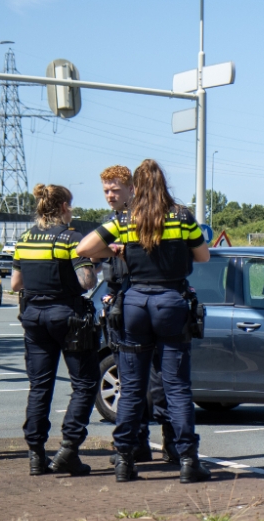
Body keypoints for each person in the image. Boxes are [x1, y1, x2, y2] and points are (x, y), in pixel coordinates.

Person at [77, 159, 211, 483]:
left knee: (132, 388)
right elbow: (203, 256)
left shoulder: (126, 219)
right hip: (171, 301)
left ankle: (124, 460)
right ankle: (188, 461)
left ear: (136, 187)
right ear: (163, 183)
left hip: (135, 302)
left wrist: (121, 251)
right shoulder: (182, 216)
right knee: (177, 387)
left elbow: (84, 247)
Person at [11, 184, 99, 476]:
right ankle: (69, 449)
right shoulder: (71, 239)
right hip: (67, 317)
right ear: (64, 207)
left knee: (40, 386)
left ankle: (36, 455)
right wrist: (94, 264)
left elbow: (15, 285)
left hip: (33, 316)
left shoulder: (24, 239)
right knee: (85, 382)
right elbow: (86, 282)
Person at [96, 165, 178, 466]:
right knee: (130, 381)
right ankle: (137, 445)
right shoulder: (112, 222)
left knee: (160, 381)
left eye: (115, 190)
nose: (110, 196)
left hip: (144, 303)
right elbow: (88, 252)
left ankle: (172, 443)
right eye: (106, 190)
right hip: (121, 307)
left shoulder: (148, 220)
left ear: (133, 189)